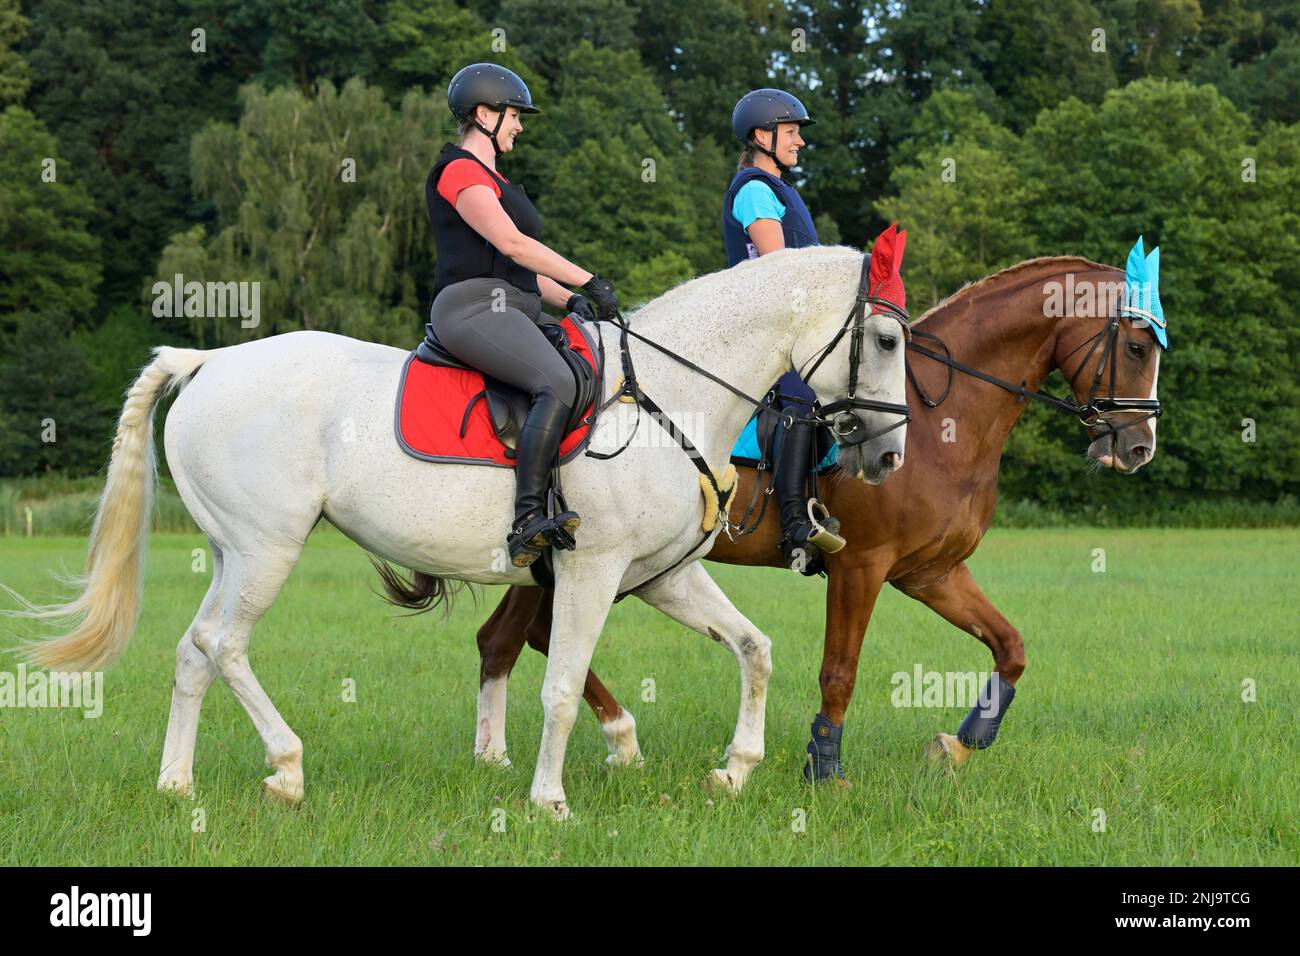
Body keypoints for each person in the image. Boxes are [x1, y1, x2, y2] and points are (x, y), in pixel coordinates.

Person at [421, 63, 619, 568]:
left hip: (515, 303)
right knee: (556, 380)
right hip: (471, 306)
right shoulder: (461, 171)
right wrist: (587, 280)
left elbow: (521, 269)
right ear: (485, 114)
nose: (520, 126)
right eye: (514, 116)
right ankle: (527, 519)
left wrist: (571, 300)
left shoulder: (498, 180)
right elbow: (513, 243)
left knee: (587, 371)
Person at [721, 88, 844, 573]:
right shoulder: (754, 189)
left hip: (794, 321)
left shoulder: (782, 189)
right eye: (792, 132)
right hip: (767, 325)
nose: (800, 142)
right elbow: (779, 268)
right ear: (762, 136)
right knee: (799, 393)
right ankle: (796, 524)